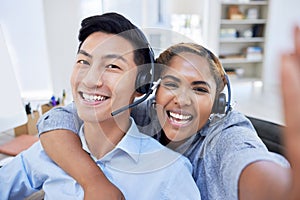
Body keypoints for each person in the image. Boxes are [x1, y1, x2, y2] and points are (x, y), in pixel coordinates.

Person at [37, 26, 300, 199]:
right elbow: (59, 118)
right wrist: (93, 181)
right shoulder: (144, 112)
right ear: (155, 92)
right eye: (171, 85)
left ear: (218, 102)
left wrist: (285, 191)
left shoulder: (226, 135)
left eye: (199, 89)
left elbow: (248, 163)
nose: (182, 100)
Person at [0, 13, 201, 200]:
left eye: (113, 66)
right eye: (83, 62)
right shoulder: (46, 152)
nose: (90, 79)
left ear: (141, 85)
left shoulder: (170, 174)